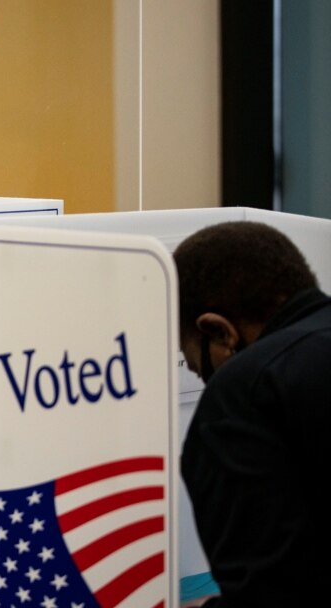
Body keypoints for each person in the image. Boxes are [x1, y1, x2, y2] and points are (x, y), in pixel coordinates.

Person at [173, 220, 331, 607]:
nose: (203, 379)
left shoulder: (244, 394)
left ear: (219, 332)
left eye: (197, 368)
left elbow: (268, 596)